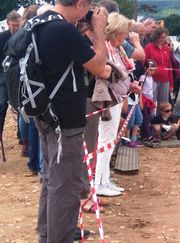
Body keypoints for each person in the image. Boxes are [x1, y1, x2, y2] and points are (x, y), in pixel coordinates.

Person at [34, 1, 108, 242]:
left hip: (44, 115)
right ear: (79, 3)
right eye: (86, 7)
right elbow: (100, 67)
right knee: (66, 186)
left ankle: (46, 235)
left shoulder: (39, 23)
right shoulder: (63, 30)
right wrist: (99, 31)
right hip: (65, 119)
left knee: (52, 179)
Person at [95, 12, 141, 197]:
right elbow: (110, 73)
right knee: (106, 140)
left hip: (117, 97)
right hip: (110, 99)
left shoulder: (117, 49)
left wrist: (129, 85)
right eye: (124, 33)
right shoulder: (107, 49)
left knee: (109, 140)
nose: (126, 37)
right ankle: (99, 182)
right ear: (116, 32)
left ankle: (104, 180)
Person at [0, 10, 20, 140]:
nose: (16, 28)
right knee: (1, 104)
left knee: (20, 107)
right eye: (13, 25)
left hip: (17, 76)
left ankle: (22, 137)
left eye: (18, 25)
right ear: (8, 23)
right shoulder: (2, 37)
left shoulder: (22, 36)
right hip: (3, 76)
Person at [144, 27, 173, 114]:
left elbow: (169, 66)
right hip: (153, 79)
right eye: (161, 37)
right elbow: (145, 63)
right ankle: (150, 121)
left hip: (165, 80)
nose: (163, 39)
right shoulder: (149, 48)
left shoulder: (167, 49)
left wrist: (171, 84)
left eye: (164, 37)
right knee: (152, 101)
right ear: (156, 37)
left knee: (164, 104)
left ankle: (162, 121)